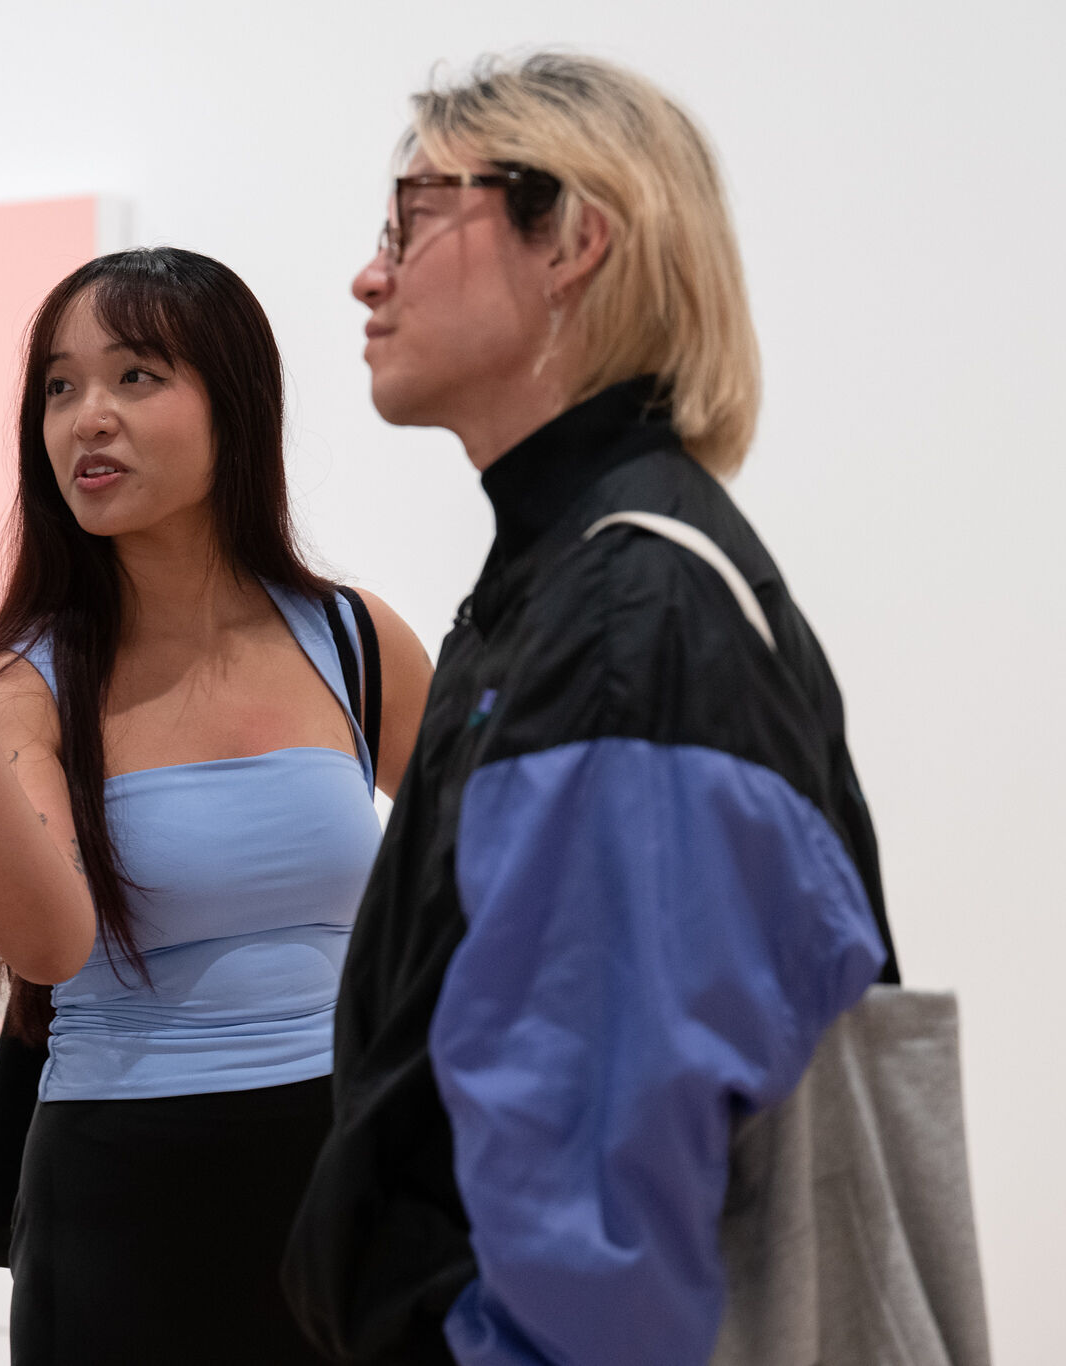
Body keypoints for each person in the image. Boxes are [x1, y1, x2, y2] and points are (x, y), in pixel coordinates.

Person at [282, 54, 899, 1366]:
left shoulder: (630, 619)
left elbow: (600, 1241)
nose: (367, 272)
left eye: (409, 217)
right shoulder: (585, 582)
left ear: (571, 237)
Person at [0, 247, 432, 1364]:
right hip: (125, 1198)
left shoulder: (352, 639)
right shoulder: (22, 686)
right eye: (59, 386)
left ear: (233, 401)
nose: (88, 417)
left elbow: (487, 883)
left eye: (135, 376)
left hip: (351, 1171)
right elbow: (48, 940)